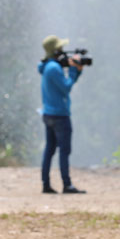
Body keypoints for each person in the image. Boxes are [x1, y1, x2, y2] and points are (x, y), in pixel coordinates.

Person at [38, 34, 88, 194]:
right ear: (55, 51)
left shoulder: (47, 66)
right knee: (64, 151)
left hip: (49, 114)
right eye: (60, 49)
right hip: (59, 115)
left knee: (50, 149)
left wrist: (77, 71)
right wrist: (73, 70)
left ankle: (46, 184)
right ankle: (67, 185)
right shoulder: (54, 68)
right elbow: (66, 87)